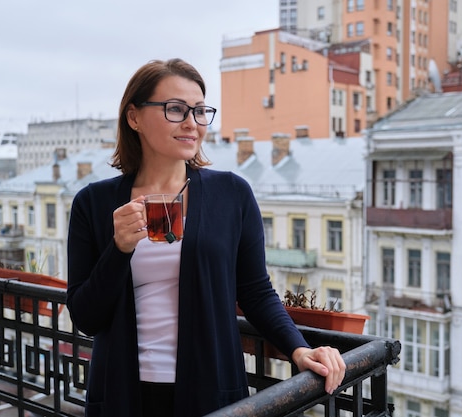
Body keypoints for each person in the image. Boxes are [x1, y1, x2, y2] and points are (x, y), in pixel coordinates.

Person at [66, 58, 346, 417]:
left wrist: (300, 349)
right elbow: (85, 316)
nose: (191, 123)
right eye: (175, 109)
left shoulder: (232, 194)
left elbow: (256, 291)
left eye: (200, 111)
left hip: (212, 391)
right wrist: (119, 249)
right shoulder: (93, 203)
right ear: (134, 117)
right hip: (123, 393)